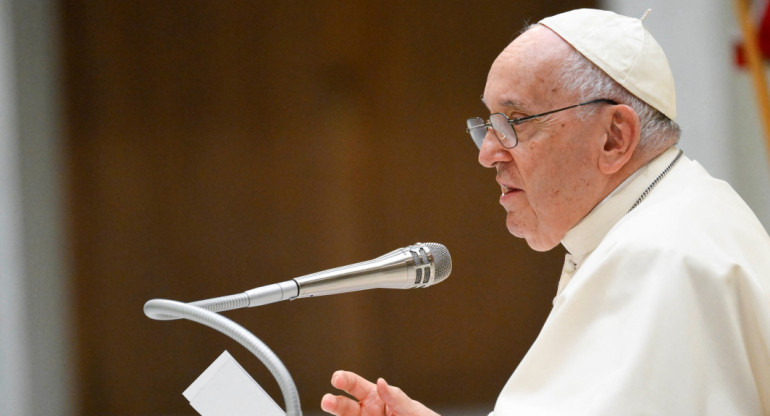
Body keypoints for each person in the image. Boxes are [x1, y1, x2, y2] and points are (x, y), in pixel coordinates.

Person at [321, 8, 770, 415]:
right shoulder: (671, 216)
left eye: (514, 122)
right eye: (488, 125)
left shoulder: (661, 258)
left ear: (614, 138)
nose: (489, 153)